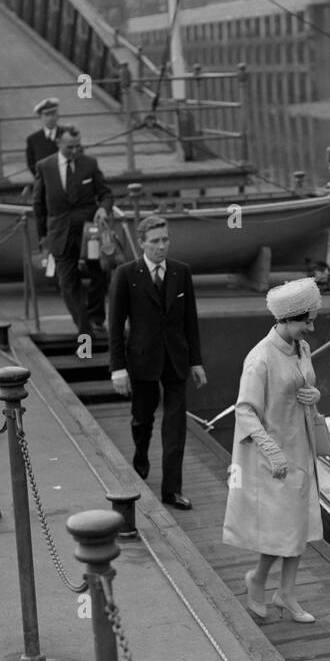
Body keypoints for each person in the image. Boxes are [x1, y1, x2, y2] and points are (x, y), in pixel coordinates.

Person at [223, 278, 325, 624]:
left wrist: (315, 395)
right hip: (274, 456)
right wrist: (273, 452)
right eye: (305, 321)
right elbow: (244, 410)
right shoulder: (260, 358)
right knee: (282, 528)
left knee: (297, 526)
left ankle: (286, 592)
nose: (310, 327)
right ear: (286, 320)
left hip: (301, 446)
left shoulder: (303, 348)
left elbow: (305, 383)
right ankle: (259, 579)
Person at [108, 215, 206, 511]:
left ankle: (172, 490)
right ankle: (140, 457)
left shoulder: (181, 272)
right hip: (142, 360)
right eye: (155, 241)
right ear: (141, 244)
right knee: (143, 419)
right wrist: (118, 368)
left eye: (165, 239)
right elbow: (115, 325)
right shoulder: (126, 274)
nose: (162, 246)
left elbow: (190, 320)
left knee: (175, 427)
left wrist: (196, 362)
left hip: (175, 359)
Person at [32, 125, 112, 342]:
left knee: (100, 275)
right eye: (70, 147)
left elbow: (105, 193)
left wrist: (103, 208)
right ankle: (84, 327)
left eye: (78, 146)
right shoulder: (45, 167)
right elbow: (38, 204)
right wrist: (43, 237)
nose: (75, 151)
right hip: (59, 231)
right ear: (58, 143)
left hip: (89, 232)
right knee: (67, 282)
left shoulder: (90, 164)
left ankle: (96, 318)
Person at [25, 97, 60, 179]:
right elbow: (31, 163)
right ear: (40, 117)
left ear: (58, 115)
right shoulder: (33, 139)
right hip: (44, 180)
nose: (50, 118)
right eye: (47, 115)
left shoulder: (66, 134)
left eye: (53, 114)